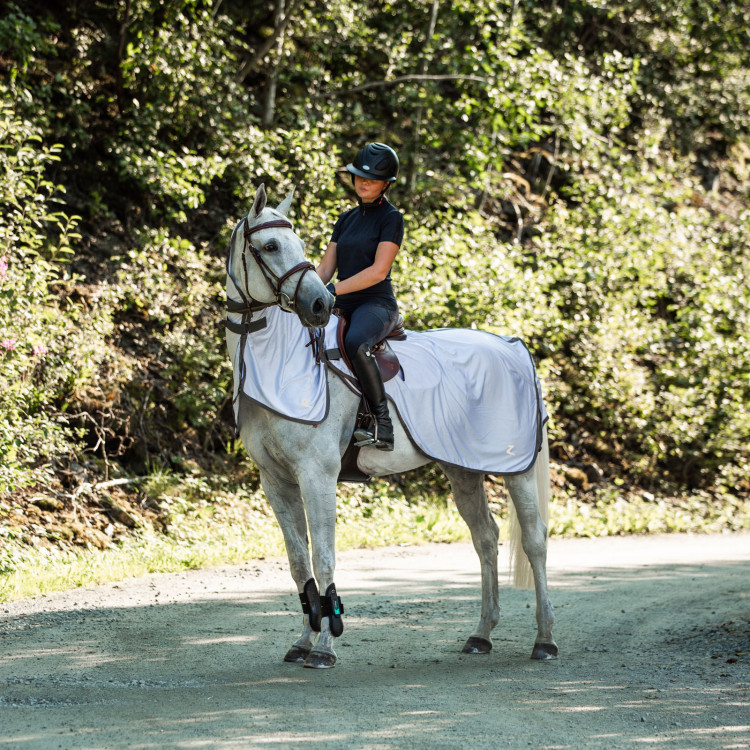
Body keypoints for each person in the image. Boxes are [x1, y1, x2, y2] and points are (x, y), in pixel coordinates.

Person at [316, 142, 404, 451]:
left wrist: (330, 292)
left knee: (356, 342)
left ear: (385, 184)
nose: (363, 183)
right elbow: (326, 267)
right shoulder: (345, 219)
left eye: (371, 179)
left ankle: (383, 424)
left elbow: (378, 271)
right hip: (340, 301)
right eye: (358, 176)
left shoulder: (391, 218)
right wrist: (307, 290)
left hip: (375, 303)